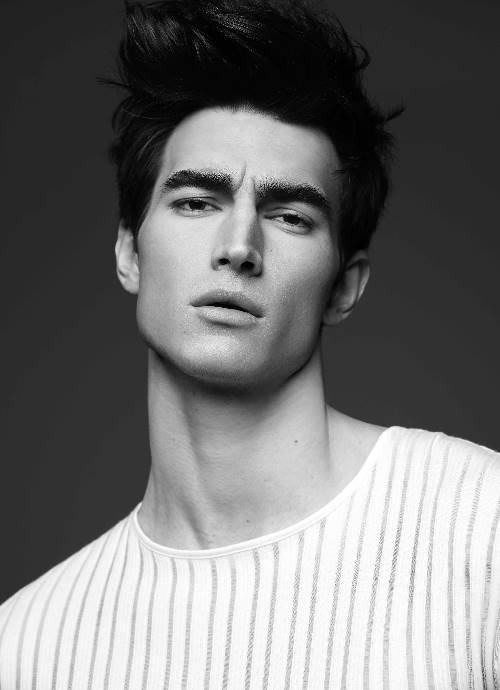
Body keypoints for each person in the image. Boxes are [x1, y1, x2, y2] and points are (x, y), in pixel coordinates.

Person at [1, 0, 499, 687]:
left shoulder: (481, 526)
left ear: (344, 286)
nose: (239, 246)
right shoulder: (26, 645)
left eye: (289, 216)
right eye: (196, 202)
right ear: (129, 253)